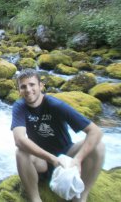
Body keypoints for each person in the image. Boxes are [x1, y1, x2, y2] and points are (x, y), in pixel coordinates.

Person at [11, 69, 105, 202]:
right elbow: (19, 140)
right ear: (19, 90)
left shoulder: (56, 105)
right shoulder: (19, 107)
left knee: (99, 146)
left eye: (32, 85)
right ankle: (35, 199)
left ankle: (80, 198)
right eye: (23, 86)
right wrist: (52, 159)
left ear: (41, 86)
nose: (28, 89)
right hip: (41, 161)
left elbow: (96, 131)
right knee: (21, 152)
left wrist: (77, 160)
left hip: (66, 155)